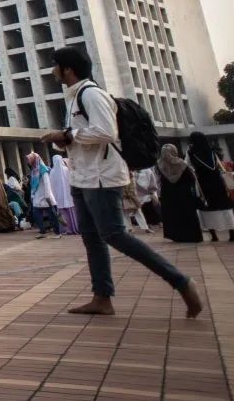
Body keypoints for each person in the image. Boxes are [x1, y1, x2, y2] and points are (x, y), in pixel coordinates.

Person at [40, 46, 202, 318]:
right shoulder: (73, 98)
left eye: (55, 65)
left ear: (68, 68)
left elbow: (106, 132)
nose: (53, 70)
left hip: (102, 177)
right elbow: (83, 137)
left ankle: (181, 282)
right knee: (92, 238)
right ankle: (102, 297)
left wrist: (67, 135)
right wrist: (63, 139)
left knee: (115, 235)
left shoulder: (91, 94)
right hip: (83, 176)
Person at [187, 132, 234, 242]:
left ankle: (214, 236)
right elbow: (220, 166)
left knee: (207, 208)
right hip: (218, 182)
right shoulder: (212, 151)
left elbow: (188, 167)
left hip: (203, 183)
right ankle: (232, 234)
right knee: (225, 206)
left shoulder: (191, 153)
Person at [156, 145, 203, 242]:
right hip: (184, 193)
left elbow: (159, 179)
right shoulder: (181, 163)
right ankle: (192, 236)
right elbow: (191, 179)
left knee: (173, 215)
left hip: (168, 194)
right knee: (187, 214)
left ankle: (176, 236)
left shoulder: (159, 164)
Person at [26, 153, 61, 239]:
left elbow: (47, 183)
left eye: (30, 159)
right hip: (37, 196)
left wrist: (47, 194)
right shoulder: (34, 170)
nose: (28, 161)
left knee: (52, 215)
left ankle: (57, 233)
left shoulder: (43, 170)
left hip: (46, 195)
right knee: (36, 213)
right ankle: (42, 232)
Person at [48, 155, 78, 235]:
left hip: (58, 196)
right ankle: (74, 228)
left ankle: (65, 229)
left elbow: (51, 185)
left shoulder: (52, 171)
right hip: (68, 195)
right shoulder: (66, 170)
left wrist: (53, 195)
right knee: (71, 213)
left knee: (62, 214)